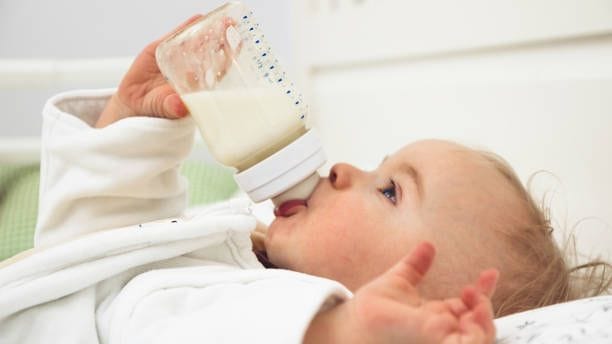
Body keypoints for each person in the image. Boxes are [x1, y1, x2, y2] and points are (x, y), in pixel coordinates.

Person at [0, 15, 608, 344]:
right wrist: (128, 129)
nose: (344, 169)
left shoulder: (280, 311)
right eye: (380, 167)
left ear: (404, 303)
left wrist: (338, 331)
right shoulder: (235, 247)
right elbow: (92, 256)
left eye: (389, 190)